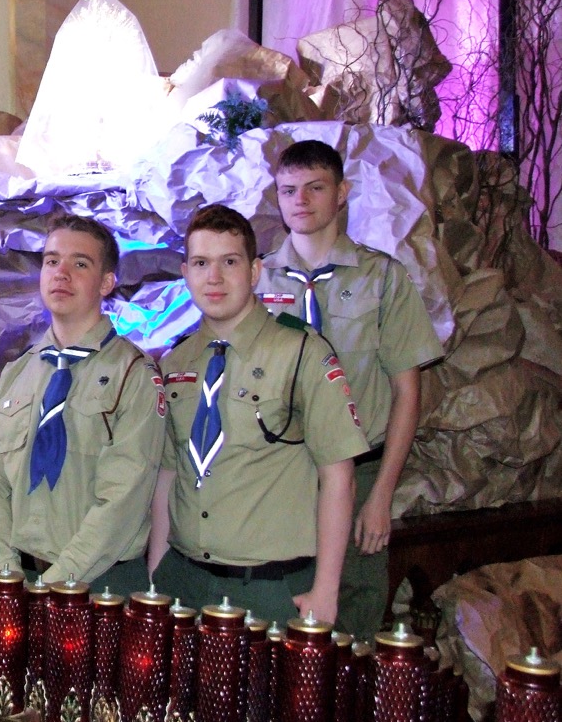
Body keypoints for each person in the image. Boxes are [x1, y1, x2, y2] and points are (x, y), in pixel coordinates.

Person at [255, 140, 444, 638]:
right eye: (289, 190)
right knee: (282, 611)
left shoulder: (382, 278)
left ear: (342, 193)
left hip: (360, 472)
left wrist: (382, 493)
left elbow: (408, 392)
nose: (301, 200)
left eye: (316, 188)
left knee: (352, 617)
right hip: (282, 473)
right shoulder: (256, 280)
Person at [148, 204, 369, 625]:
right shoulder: (175, 363)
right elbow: (169, 474)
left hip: (271, 590)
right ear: (186, 273)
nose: (214, 277)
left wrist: (326, 590)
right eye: (201, 263)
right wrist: (160, 572)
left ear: (253, 272)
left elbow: (338, 477)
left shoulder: (302, 352)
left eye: (229, 262)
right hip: (185, 581)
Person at [0, 215, 166, 595]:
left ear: (107, 282)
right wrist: (7, 575)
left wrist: (54, 584)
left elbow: (121, 501)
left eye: (80, 263)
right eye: (51, 261)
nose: (61, 273)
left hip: (99, 585)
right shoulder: (18, 373)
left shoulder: (133, 374)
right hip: (20, 580)